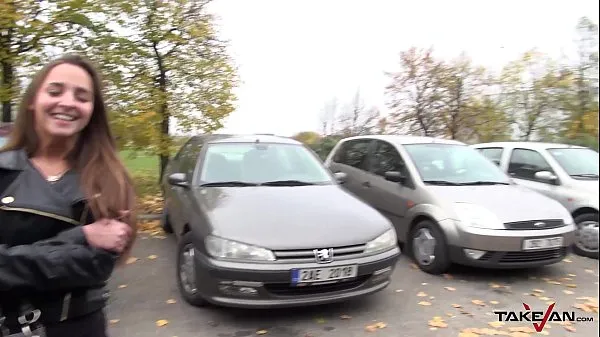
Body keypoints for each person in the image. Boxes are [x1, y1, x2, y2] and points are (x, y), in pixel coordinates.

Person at [0, 54, 136, 337]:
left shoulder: (109, 179)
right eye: (55, 91)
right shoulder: (2, 169)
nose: (68, 102)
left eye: (82, 96)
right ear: (32, 101)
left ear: (92, 111)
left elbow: (95, 266)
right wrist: (81, 237)